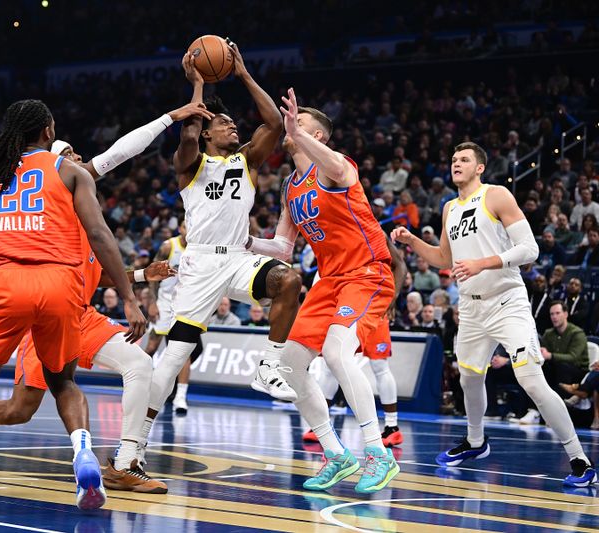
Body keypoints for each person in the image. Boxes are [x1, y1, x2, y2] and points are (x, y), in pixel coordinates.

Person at [0, 99, 147, 513]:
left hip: (6, 284)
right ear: (49, 131)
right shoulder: (69, 171)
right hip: (60, 286)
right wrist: (129, 297)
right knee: (65, 384)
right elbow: (100, 234)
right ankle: (84, 457)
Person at [392, 141, 596, 487]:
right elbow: (444, 258)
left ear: (480, 167)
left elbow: (529, 248)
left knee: (531, 379)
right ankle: (475, 442)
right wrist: (411, 241)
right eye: (454, 159)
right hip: (471, 307)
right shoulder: (448, 208)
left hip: (506, 300)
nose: (456, 163)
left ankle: (580, 460)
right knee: (468, 377)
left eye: (464, 160)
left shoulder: (495, 195)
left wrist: (482, 263)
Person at [0, 244, 175, 496]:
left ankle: (125, 464)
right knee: (19, 410)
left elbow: (93, 274)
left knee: (139, 363)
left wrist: (141, 275)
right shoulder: (55, 213)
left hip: (82, 316)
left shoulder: (88, 213)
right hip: (46, 317)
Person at [140, 43, 304, 462]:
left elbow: (272, 122)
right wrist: (197, 83)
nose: (233, 127)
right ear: (208, 131)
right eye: (225, 123)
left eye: (233, 123)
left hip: (236, 258)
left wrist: (244, 73)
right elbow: (189, 132)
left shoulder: (246, 160)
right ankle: (136, 439)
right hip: (199, 264)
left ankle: (269, 367)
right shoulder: (190, 164)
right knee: (175, 355)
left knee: (289, 279)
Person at [249, 89, 400, 493]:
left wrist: (297, 133)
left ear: (316, 137)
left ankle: (378, 453)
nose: (287, 130)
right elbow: (283, 247)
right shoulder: (291, 188)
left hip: (366, 273)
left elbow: (342, 170)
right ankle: (336, 453)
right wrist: (244, 241)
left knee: (336, 352)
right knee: (289, 365)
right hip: (329, 280)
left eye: (299, 127)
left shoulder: (336, 168)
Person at [304, 236, 407, 448]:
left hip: (372, 303)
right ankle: (321, 425)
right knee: (331, 364)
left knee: (379, 365)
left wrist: (393, 297)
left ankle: (392, 427)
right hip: (345, 306)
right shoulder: (330, 236)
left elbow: (400, 264)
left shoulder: (372, 230)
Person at [144, 220, 201, 415]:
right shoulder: (169, 246)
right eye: (186, 226)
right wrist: (151, 302)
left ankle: (180, 398)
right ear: (180, 229)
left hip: (186, 305)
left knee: (182, 350)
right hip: (164, 301)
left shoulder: (200, 249)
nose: (189, 230)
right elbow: (152, 274)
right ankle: (139, 384)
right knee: (151, 347)